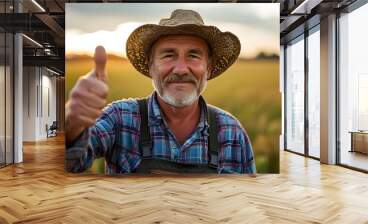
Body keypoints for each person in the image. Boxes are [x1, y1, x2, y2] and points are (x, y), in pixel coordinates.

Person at [65, 9, 256, 174]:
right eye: (168, 55)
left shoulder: (232, 132)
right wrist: (73, 126)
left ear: (209, 67)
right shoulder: (120, 118)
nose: (181, 69)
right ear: (151, 67)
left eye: (193, 55)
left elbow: (250, 199)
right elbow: (72, 163)